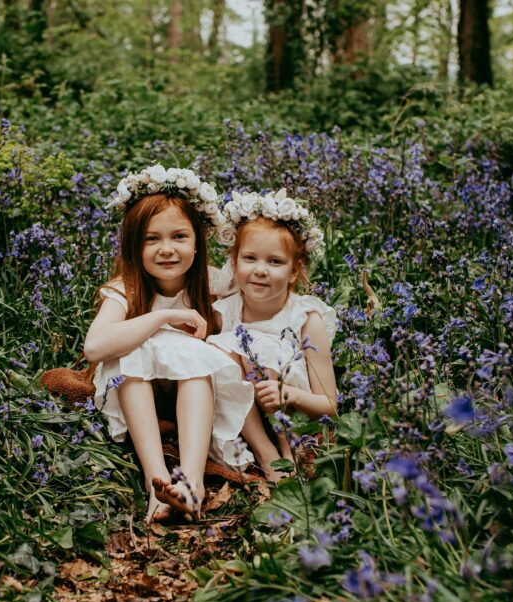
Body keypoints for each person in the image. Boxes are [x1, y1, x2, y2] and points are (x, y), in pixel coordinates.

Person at [84, 165, 254, 523]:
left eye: (179, 236)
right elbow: (95, 348)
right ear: (135, 245)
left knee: (196, 363)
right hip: (136, 392)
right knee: (127, 354)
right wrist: (162, 318)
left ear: (197, 243)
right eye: (151, 239)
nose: (166, 249)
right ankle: (155, 481)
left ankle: (191, 483)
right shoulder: (125, 289)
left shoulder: (214, 285)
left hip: (193, 394)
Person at [207, 189, 338, 482]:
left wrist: (290, 394)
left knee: (261, 349)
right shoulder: (225, 311)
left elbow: (329, 404)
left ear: (294, 271)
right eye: (250, 258)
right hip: (247, 418)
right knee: (216, 351)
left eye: (275, 262)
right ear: (235, 262)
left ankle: (289, 451)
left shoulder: (305, 319)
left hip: (295, 416)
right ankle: (266, 453)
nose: (260, 270)